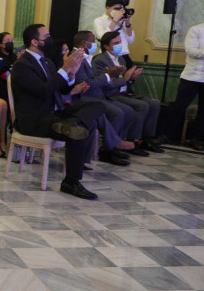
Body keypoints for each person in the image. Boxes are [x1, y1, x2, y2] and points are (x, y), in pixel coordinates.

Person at [11, 24, 106, 199]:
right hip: (35, 119)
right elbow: (43, 90)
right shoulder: (21, 65)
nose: (50, 40)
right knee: (79, 132)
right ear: (34, 42)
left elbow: (61, 90)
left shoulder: (47, 62)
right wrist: (64, 69)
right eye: (46, 37)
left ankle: (71, 124)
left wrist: (71, 75)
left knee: (98, 105)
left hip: (54, 114)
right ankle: (71, 182)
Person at [92, 31, 164, 154]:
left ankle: (146, 139)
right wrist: (125, 79)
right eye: (116, 43)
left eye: (120, 42)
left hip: (124, 92)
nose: (119, 45)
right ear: (106, 46)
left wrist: (131, 78)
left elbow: (125, 81)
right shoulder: (100, 60)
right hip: (112, 94)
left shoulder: (121, 59)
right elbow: (105, 84)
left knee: (154, 104)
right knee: (141, 106)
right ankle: (133, 140)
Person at [70, 31, 135, 165]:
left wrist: (109, 75)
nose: (95, 44)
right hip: (84, 97)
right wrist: (108, 76)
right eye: (93, 41)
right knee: (117, 113)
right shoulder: (76, 57)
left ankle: (114, 147)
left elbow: (93, 80)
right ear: (84, 43)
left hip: (96, 95)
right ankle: (108, 150)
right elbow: (86, 84)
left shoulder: (85, 57)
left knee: (126, 111)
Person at [166, 22, 204, 150]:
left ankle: (196, 139)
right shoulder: (196, 30)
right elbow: (191, 51)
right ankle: (166, 135)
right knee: (179, 106)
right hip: (191, 76)